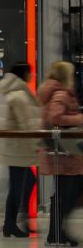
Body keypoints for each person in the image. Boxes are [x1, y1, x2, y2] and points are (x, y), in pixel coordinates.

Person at [0, 62, 40, 238]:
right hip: (18, 149)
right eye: (30, 72)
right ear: (23, 74)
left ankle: (18, 221)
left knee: (26, 182)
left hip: (11, 147)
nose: (32, 76)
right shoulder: (19, 95)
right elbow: (27, 124)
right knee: (18, 187)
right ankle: (11, 223)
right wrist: (37, 144)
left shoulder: (4, 92)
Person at [38, 61, 83, 246]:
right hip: (65, 153)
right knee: (66, 194)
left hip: (62, 153)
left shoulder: (56, 92)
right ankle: (57, 233)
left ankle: (57, 232)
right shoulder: (61, 93)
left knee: (65, 194)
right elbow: (55, 117)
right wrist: (79, 118)